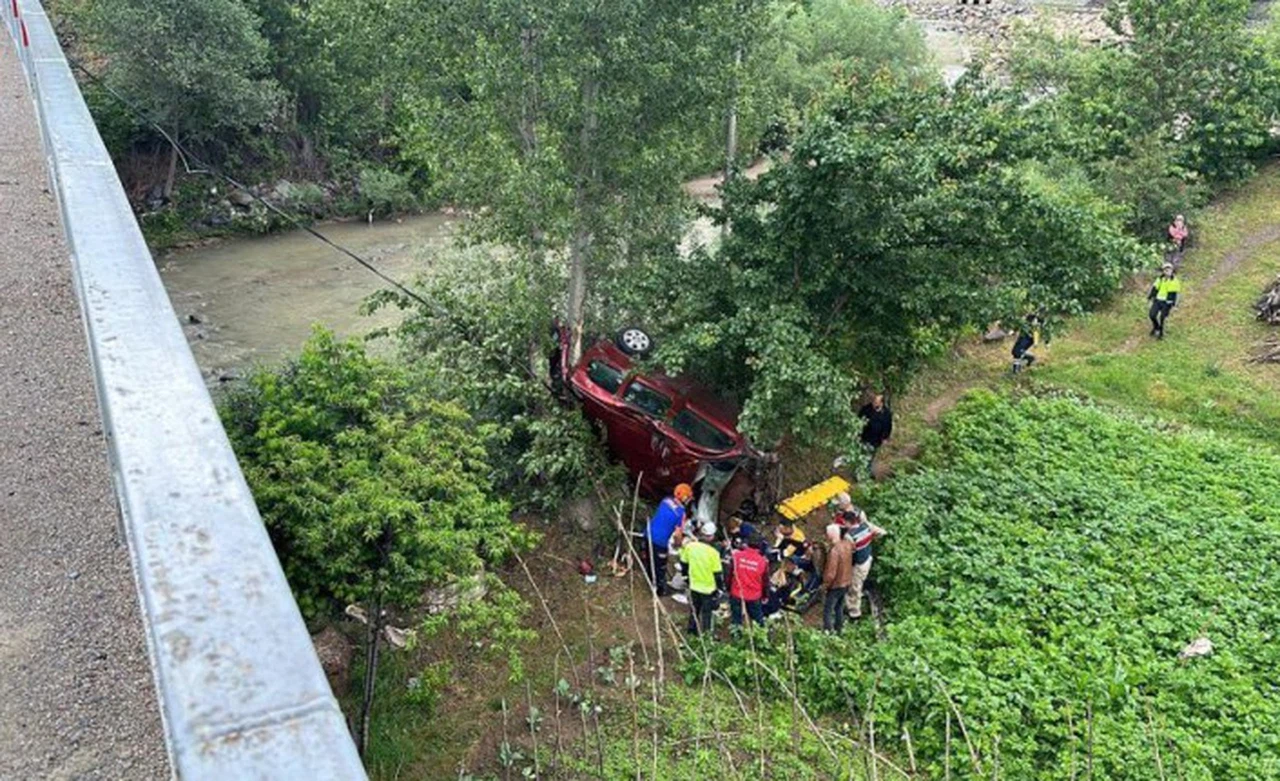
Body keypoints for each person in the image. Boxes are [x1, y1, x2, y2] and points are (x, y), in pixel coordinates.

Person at [645, 483, 692, 597]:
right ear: (685, 498)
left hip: (648, 534)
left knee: (650, 559)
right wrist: (678, 544)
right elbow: (677, 534)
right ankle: (659, 590)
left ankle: (649, 579)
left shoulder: (665, 500)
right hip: (660, 541)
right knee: (660, 566)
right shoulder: (681, 513)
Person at [680, 522, 725, 636]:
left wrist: (686, 578)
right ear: (712, 536)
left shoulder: (690, 547)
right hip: (708, 588)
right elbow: (717, 574)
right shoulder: (713, 553)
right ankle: (706, 635)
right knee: (707, 613)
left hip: (694, 584)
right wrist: (720, 589)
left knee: (694, 610)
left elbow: (684, 563)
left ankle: (691, 631)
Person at [845, 510, 887, 620]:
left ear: (848, 522)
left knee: (855, 587)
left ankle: (854, 613)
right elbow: (882, 532)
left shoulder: (849, 536)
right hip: (868, 558)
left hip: (859, 564)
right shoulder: (866, 526)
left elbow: (849, 553)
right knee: (859, 582)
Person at [728, 535, 770, 630]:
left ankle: (737, 639)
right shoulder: (762, 561)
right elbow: (765, 581)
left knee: (736, 619)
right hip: (754, 595)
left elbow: (729, 574)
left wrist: (728, 589)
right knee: (758, 620)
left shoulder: (737, 556)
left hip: (736, 593)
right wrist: (765, 596)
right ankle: (761, 639)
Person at [821, 524, 854, 633]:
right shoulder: (847, 545)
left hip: (836, 584)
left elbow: (831, 573)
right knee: (839, 607)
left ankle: (828, 632)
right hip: (847, 581)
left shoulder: (834, 551)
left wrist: (825, 585)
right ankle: (839, 629)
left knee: (827, 610)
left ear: (830, 536)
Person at [857, 393, 893, 476]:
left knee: (871, 456)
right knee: (864, 454)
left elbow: (888, 425)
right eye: (873, 401)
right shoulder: (866, 410)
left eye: (876, 402)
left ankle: (867, 470)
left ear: (881, 403)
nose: (874, 403)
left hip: (877, 439)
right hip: (865, 437)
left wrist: (885, 437)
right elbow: (858, 421)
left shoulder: (886, 413)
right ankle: (861, 473)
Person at [1148, 263, 1182, 339]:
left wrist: (1174, 304)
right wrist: (1151, 297)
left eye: (1169, 269)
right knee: (1152, 315)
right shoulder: (1160, 279)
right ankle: (1156, 327)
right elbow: (1154, 288)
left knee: (1163, 317)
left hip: (1167, 302)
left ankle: (1161, 333)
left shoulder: (1174, 281)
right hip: (1158, 300)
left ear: (1172, 270)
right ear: (1163, 271)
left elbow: (1176, 294)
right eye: (1166, 270)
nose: (1167, 271)